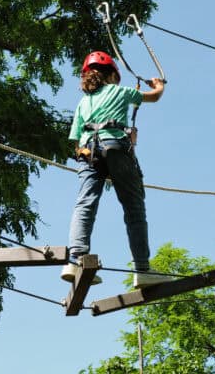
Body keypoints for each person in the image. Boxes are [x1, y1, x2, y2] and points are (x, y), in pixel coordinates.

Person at [61, 50, 173, 289]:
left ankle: (75, 259)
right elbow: (154, 97)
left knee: (85, 203)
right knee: (134, 208)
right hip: (115, 146)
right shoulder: (121, 92)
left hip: (87, 153)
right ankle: (143, 269)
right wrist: (158, 84)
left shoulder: (83, 103)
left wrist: (96, 164)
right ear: (111, 75)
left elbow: (75, 140)